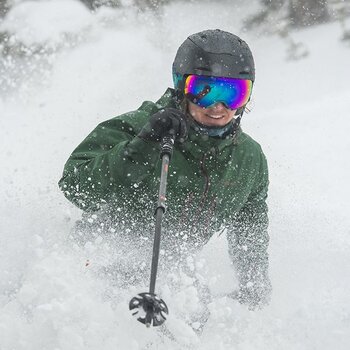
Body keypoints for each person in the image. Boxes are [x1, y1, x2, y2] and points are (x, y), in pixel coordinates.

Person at [59, 29, 272, 310]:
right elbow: (76, 188)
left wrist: (254, 285)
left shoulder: (249, 158)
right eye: (204, 91)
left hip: (173, 279)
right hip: (95, 265)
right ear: (182, 86)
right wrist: (141, 146)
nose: (218, 107)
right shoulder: (141, 128)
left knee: (197, 319)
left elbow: (250, 230)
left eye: (233, 93)